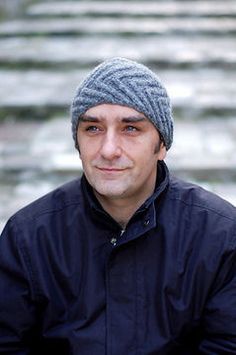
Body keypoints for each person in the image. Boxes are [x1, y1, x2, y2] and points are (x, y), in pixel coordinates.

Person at [0, 57, 235, 354]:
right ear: (77, 141)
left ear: (161, 145)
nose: (109, 150)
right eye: (93, 129)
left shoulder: (222, 237)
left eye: (131, 129)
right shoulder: (28, 238)